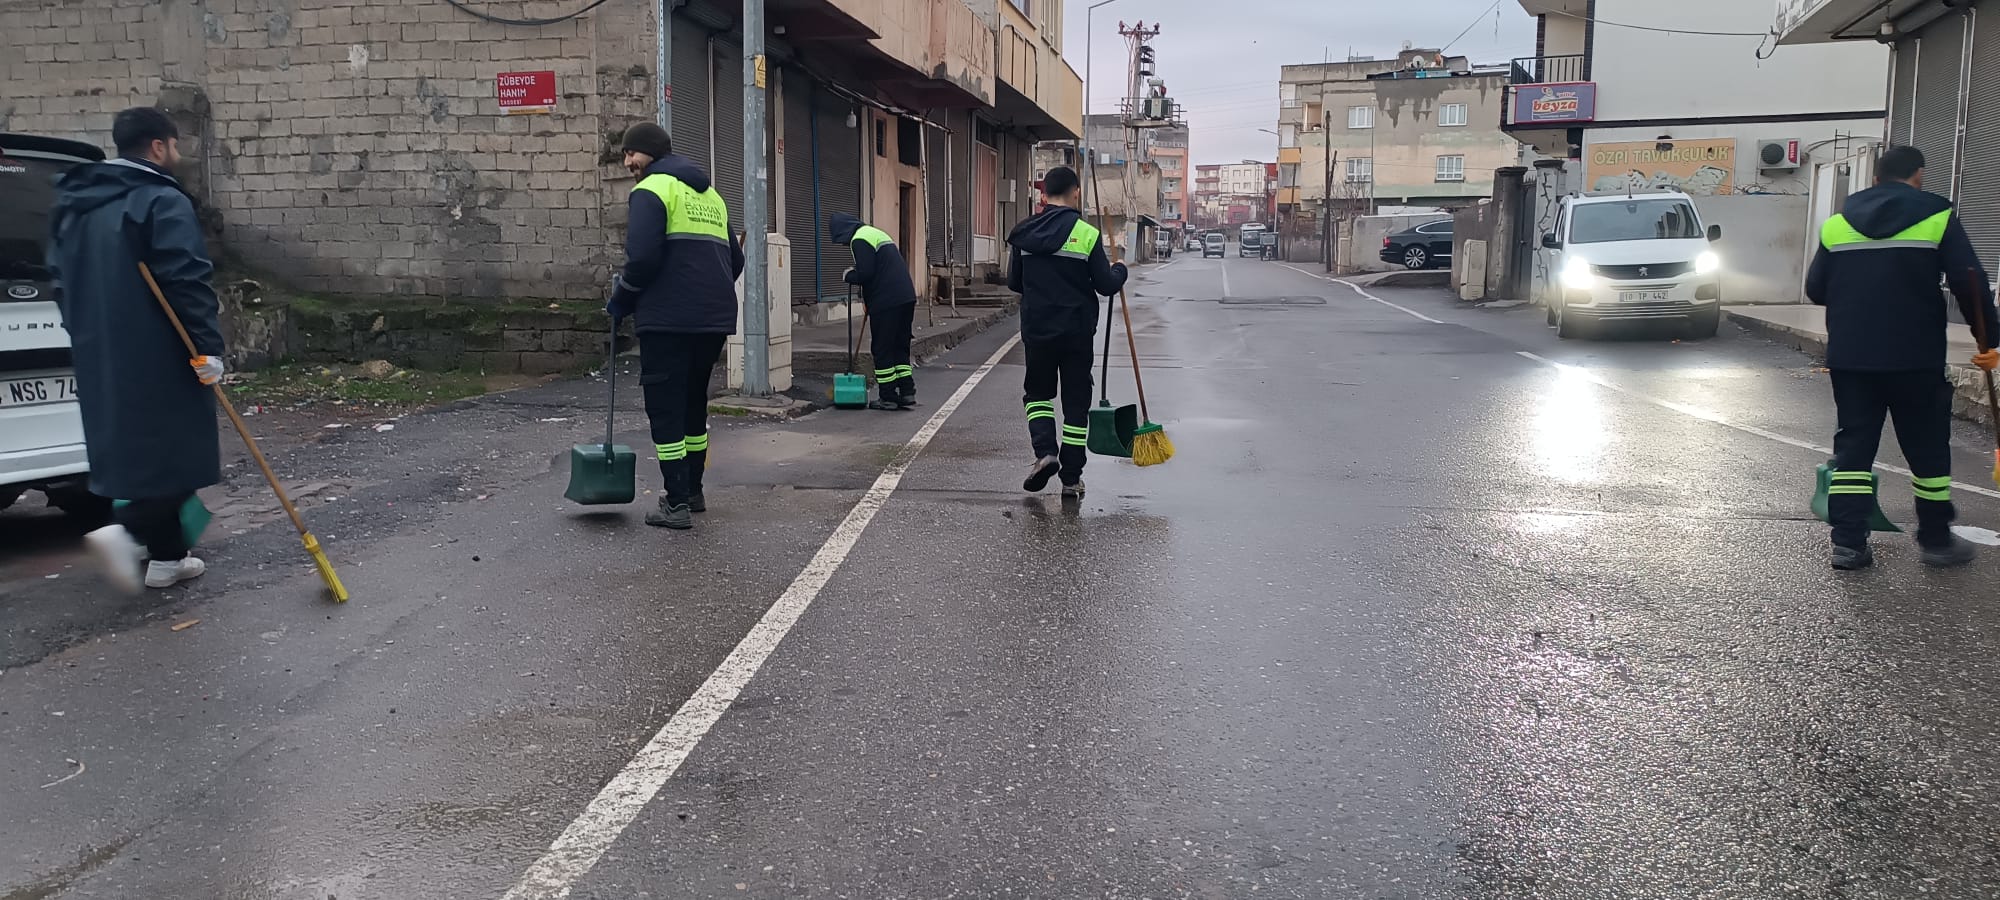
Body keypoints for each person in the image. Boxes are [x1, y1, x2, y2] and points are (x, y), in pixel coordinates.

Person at [50, 107, 224, 592]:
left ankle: (167, 556)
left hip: (101, 350)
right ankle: (125, 534)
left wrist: (85, 333)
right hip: (161, 350)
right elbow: (185, 276)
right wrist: (207, 346)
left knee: (138, 453)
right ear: (158, 146)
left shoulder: (75, 205)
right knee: (176, 451)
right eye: (175, 145)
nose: (178, 153)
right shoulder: (159, 199)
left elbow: (60, 281)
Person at [1806, 144, 1998, 570]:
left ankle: (1848, 544)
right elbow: (1970, 281)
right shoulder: (1937, 216)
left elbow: (1816, 288)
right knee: (1927, 448)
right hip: (1915, 356)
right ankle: (1935, 540)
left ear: (1875, 179)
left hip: (1852, 356)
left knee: (1854, 448)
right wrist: (1988, 339)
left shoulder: (1837, 224)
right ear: (1919, 176)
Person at [608, 122, 744, 530]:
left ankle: (676, 502)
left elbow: (642, 258)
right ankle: (693, 491)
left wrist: (622, 299)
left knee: (665, 408)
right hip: (712, 319)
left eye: (631, 153)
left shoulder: (652, 190)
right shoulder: (712, 196)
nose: (628, 162)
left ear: (650, 152)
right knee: (692, 403)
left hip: (668, 319)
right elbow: (735, 261)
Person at [1005, 165, 1128, 499]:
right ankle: (1071, 479)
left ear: (1044, 195)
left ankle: (1045, 453)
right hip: (1076, 331)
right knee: (1075, 404)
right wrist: (1120, 271)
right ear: (1076, 193)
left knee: (1037, 395)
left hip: (1038, 329)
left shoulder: (1024, 233)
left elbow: (1014, 282)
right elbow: (1105, 285)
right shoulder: (1086, 234)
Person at [829, 213, 919, 410]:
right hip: (905, 297)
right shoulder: (875, 233)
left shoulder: (859, 239)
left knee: (882, 348)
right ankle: (907, 392)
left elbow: (866, 273)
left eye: (841, 241)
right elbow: (880, 270)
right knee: (899, 346)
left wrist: (849, 275)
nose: (844, 245)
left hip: (887, 300)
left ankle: (888, 396)